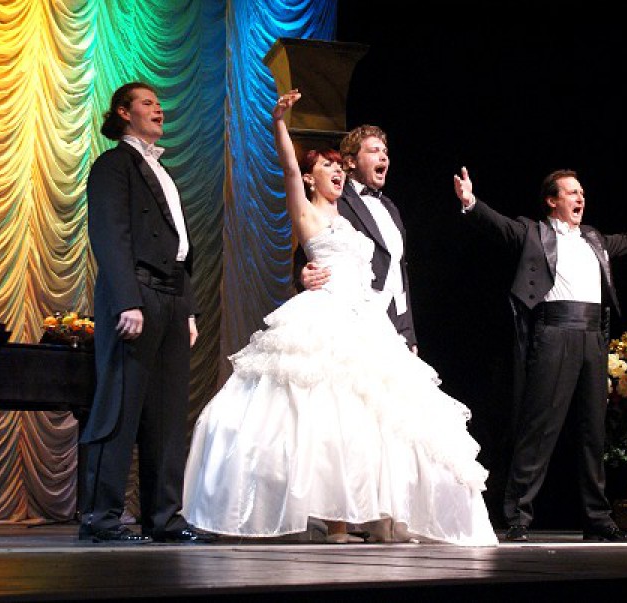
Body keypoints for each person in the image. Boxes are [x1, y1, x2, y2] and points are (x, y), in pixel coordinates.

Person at [180, 90, 498, 546]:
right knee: (330, 418)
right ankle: (336, 523)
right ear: (313, 178)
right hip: (326, 316)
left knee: (380, 419)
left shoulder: (360, 216)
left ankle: (384, 516)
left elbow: (392, 273)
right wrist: (279, 122)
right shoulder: (308, 210)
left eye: (337, 167)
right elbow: (290, 170)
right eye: (328, 167)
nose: (336, 172)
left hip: (368, 320)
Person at [453, 167, 627, 543]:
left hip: (593, 336)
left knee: (593, 431)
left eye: (581, 192)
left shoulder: (594, 239)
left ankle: (597, 518)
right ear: (551, 200)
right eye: (571, 192)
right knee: (540, 427)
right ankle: (518, 515)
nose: (580, 197)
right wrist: (471, 202)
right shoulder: (534, 233)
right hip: (554, 333)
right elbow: (499, 225)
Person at [79, 82, 215, 544]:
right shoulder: (113, 165)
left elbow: (181, 247)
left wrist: (189, 310)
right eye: (147, 102)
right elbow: (109, 234)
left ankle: (164, 518)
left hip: (172, 297)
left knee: (167, 415)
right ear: (123, 112)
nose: (158, 108)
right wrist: (126, 300)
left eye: (159, 102)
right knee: (119, 408)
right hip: (136, 291)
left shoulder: (163, 169)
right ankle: (101, 518)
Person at [293, 123, 417, 353]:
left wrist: (408, 333)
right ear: (351, 162)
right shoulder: (336, 200)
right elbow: (310, 248)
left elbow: (398, 272)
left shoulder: (390, 208)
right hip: (354, 318)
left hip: (393, 324)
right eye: (374, 151)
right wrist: (303, 274)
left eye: (385, 152)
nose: (383, 157)